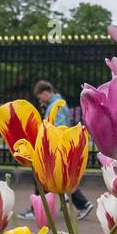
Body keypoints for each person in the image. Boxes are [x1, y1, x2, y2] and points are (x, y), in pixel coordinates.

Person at [33, 80, 92, 219]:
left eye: (40, 96)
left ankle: (82, 203)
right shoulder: (56, 104)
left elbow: (56, 127)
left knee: (55, 177)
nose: (40, 99)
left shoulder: (56, 105)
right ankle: (38, 206)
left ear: (45, 93)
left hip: (55, 148)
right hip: (57, 147)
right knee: (57, 178)